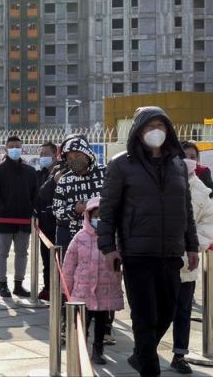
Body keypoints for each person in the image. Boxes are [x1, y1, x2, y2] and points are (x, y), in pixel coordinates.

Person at [98, 106, 199, 376]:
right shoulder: (121, 164)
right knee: (144, 318)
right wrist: (108, 247)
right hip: (137, 254)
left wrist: (191, 245)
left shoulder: (177, 164)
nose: (156, 131)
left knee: (167, 312)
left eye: (161, 125)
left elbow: (185, 209)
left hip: (171, 252)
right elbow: (107, 210)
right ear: (138, 130)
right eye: (149, 126)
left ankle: (140, 356)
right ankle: (149, 369)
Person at [63, 197, 124, 366]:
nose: (98, 220)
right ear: (88, 216)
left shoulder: (114, 238)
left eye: (102, 216)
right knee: (83, 321)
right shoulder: (80, 237)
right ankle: (81, 348)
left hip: (105, 288)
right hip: (83, 288)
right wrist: (66, 288)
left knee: (101, 322)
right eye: (95, 216)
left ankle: (98, 350)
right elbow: (69, 263)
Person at [171, 156, 213, 374]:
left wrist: (197, 246)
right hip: (158, 260)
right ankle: (145, 351)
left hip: (187, 263)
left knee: (183, 311)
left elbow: (208, 222)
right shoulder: (159, 181)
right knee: (154, 311)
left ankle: (179, 354)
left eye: (191, 155)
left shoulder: (201, 191)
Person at [0, 135, 38, 298]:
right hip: (4, 220)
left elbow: (35, 194)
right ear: (6, 149)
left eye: (18, 146)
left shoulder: (30, 171)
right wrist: (1, 208)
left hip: (23, 220)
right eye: (12, 146)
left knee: (22, 253)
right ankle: (2, 285)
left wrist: (31, 210)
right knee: (2, 253)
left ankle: (18, 284)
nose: (15, 149)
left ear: (22, 148)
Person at [53, 135, 106, 248]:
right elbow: (57, 211)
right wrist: (74, 209)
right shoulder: (64, 181)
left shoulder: (106, 173)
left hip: (105, 236)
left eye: (77, 155)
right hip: (77, 240)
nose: (74, 160)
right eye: (70, 158)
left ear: (87, 155)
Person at [35, 142, 60, 301]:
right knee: (46, 259)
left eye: (46, 154)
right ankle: (48, 288)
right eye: (41, 154)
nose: (43, 157)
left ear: (55, 155)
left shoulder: (63, 173)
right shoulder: (41, 174)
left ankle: (61, 290)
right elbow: (39, 196)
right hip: (44, 224)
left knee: (61, 260)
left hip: (60, 223)